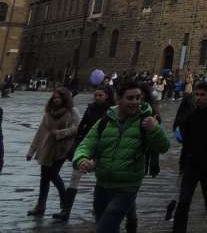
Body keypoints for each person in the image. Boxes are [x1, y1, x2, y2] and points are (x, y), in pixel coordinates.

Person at [72, 78, 170, 233]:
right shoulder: (106, 120)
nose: (135, 102)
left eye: (138, 98)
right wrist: (82, 158)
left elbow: (164, 147)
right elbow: (87, 143)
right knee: (105, 224)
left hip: (127, 185)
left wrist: (154, 129)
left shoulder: (146, 120)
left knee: (105, 227)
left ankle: (132, 221)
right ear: (119, 98)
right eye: (130, 98)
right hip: (103, 184)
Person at [172, 81, 207, 233]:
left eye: (202, 95)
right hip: (191, 164)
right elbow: (187, 142)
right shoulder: (191, 115)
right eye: (196, 95)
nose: (198, 98)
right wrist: (182, 165)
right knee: (183, 201)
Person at [56, 84, 114, 221]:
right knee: (75, 176)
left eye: (100, 95)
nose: (97, 97)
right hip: (87, 144)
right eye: (96, 95)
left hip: (103, 147)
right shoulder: (90, 108)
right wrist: (77, 143)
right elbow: (82, 125)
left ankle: (99, 207)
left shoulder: (112, 111)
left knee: (101, 179)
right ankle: (66, 210)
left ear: (107, 96)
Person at [26, 87, 79, 217]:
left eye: (58, 97)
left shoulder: (72, 112)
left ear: (64, 98)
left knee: (54, 175)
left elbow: (76, 128)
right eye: (54, 97)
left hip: (61, 149)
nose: (55, 100)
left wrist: (61, 133)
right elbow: (40, 132)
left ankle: (65, 205)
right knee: (44, 178)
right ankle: (41, 206)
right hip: (47, 149)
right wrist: (31, 150)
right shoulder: (49, 112)